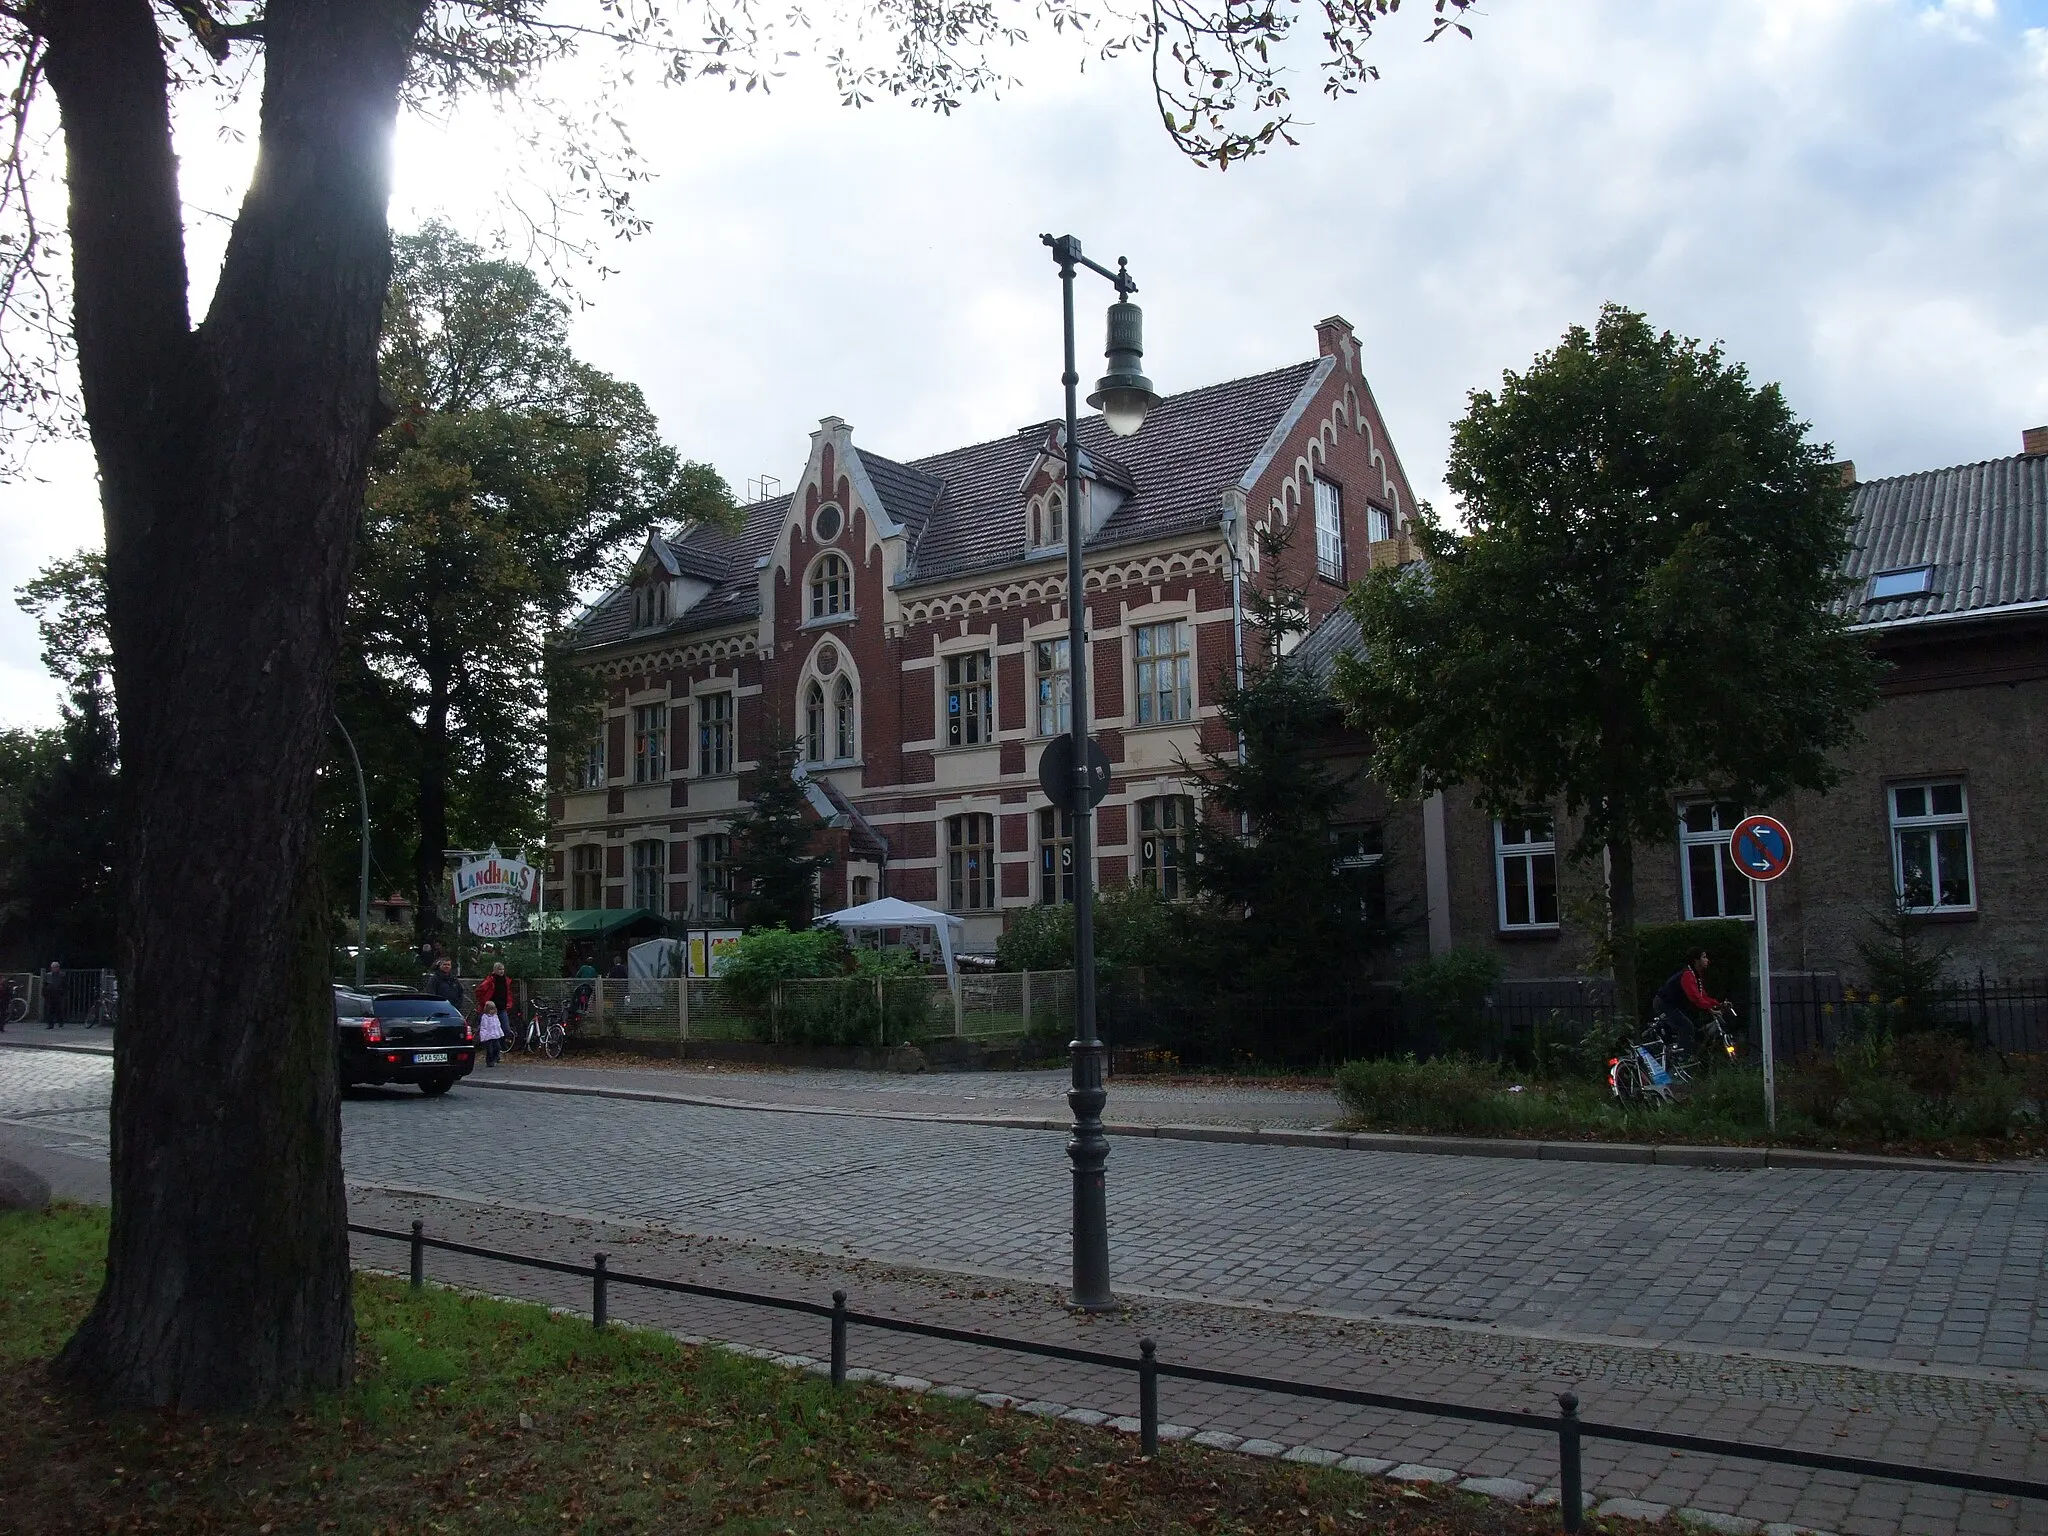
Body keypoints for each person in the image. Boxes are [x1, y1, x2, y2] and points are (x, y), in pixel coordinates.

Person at [1652, 948, 1721, 1058]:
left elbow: (1702, 996)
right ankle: (1682, 1057)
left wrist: (1713, 1007)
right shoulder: (1687, 975)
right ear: (1695, 961)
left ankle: (1688, 1052)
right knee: (1686, 1027)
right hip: (1664, 1004)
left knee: (1691, 1024)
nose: (1707, 960)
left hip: (1675, 1004)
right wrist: (1716, 1005)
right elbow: (1695, 998)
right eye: (1704, 957)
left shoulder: (1695, 975)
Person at [474, 962, 512, 1029]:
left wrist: (509, 1003)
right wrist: (484, 1003)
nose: (502, 971)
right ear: (495, 970)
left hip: (502, 1008)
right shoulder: (490, 980)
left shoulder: (506, 981)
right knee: (491, 1030)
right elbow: (479, 991)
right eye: (500, 969)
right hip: (491, 1010)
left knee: (506, 1029)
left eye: (503, 969)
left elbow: (508, 993)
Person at [477, 999, 506, 1067]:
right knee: (490, 1050)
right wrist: (483, 1037)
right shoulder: (485, 1017)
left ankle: (495, 1058)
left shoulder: (495, 1016)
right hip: (488, 1036)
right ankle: (489, 1061)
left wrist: (500, 1033)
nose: (492, 1011)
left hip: (495, 1035)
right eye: (491, 1009)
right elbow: (484, 1027)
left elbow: (498, 1025)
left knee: (497, 1047)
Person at [42, 960, 63, 1029]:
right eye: (53, 967)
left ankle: (60, 1021)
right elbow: (44, 985)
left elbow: (64, 985)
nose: (55, 968)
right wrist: (44, 993)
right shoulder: (48, 975)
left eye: (56, 967)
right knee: (50, 1009)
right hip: (50, 994)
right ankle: (50, 1024)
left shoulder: (62, 975)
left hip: (58, 993)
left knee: (58, 1009)